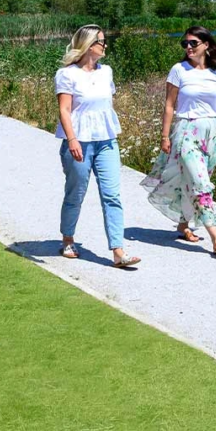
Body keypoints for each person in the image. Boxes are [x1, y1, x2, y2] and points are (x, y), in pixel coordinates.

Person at [141, 26, 216, 256]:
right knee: (200, 183)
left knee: (193, 180)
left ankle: (183, 223)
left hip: (211, 133)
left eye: (193, 43)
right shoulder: (179, 70)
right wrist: (165, 136)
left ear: (206, 45)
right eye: (185, 44)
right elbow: (169, 106)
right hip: (186, 131)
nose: (188, 47)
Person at [55, 25, 140, 268]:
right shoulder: (67, 74)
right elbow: (64, 109)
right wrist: (71, 139)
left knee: (112, 195)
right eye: (101, 41)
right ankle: (68, 238)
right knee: (76, 193)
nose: (105, 45)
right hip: (79, 141)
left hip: (106, 140)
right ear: (88, 44)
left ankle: (118, 251)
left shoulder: (107, 72)